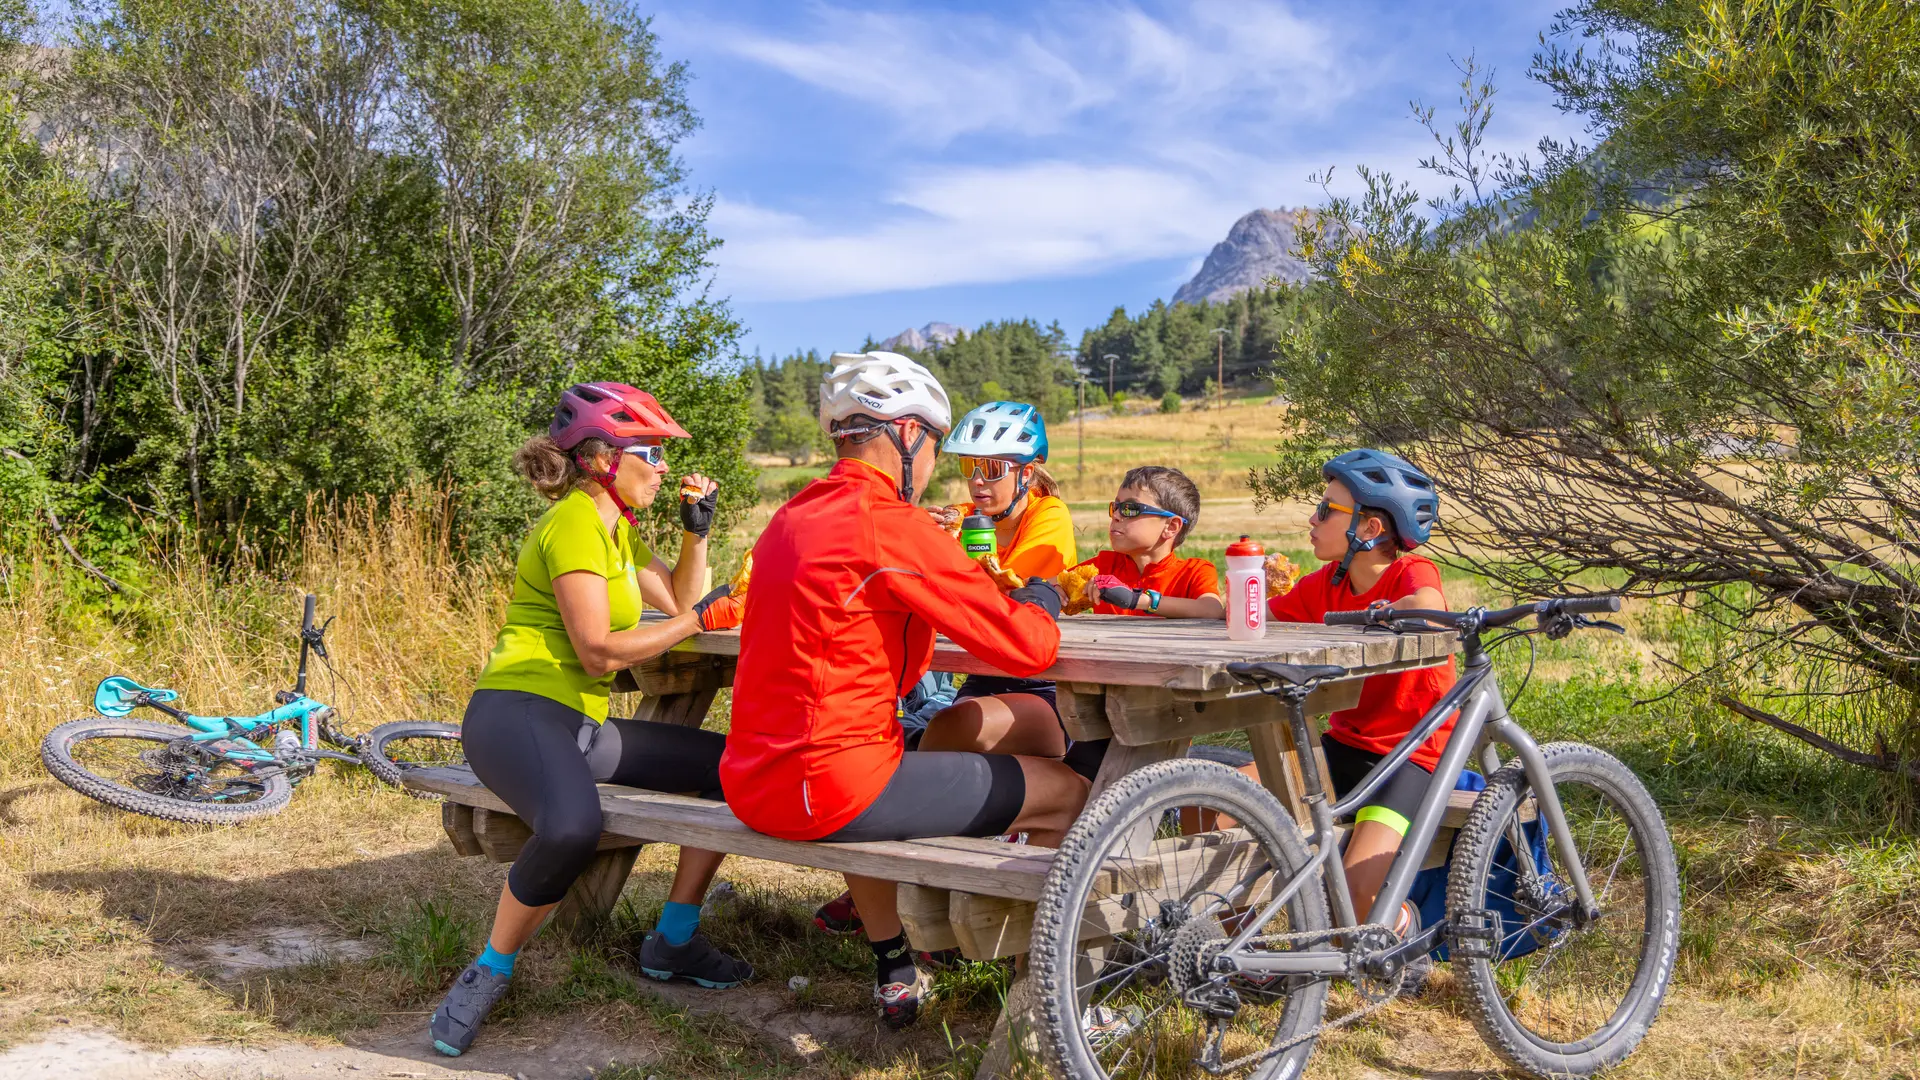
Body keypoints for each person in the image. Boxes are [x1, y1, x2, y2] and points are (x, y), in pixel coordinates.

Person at [721, 351, 1090, 1029]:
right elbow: (1029, 646)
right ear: (909, 435)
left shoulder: (789, 517)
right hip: (830, 788)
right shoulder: (892, 523)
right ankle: (1041, 988)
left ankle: (900, 952)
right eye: (939, 449)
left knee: (907, 752)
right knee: (1069, 790)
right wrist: (1042, 597)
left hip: (751, 780)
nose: (938, 469)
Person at [430, 383, 749, 1057]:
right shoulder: (574, 523)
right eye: (652, 454)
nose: (663, 469)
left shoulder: (616, 530)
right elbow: (599, 649)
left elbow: (680, 599)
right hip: (516, 711)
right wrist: (698, 620)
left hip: (579, 727)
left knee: (732, 768)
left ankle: (676, 937)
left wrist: (699, 534)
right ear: (605, 459)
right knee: (573, 826)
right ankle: (491, 967)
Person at [812, 400, 1077, 939]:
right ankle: (909, 886)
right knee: (924, 739)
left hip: (1042, 684)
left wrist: (940, 554)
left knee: (948, 731)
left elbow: (1008, 599)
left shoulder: (1050, 516)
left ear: (1028, 474)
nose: (978, 483)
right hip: (988, 672)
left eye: (993, 469)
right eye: (968, 468)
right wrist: (927, 537)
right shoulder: (968, 514)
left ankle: (916, 891)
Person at [1264, 448, 1451, 936]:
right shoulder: (1326, 583)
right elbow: (1254, 616)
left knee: (1356, 896)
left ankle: (1405, 934)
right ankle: (1241, 961)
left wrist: (1383, 612)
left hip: (1408, 757)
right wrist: (1147, 600)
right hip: (1343, 746)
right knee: (1212, 810)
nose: (1312, 517)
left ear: (1368, 529)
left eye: (1326, 509)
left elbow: (1429, 607)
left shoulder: (1410, 573)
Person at [1053, 465, 1225, 780]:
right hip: (1104, 702)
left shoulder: (1194, 571)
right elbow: (1055, 588)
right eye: (1115, 507)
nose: (1116, 516)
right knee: (1076, 778)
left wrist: (1140, 600)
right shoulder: (1104, 565)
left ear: (1171, 527)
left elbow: (1211, 609)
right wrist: (1053, 594)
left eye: (1131, 509)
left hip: (1168, 706)